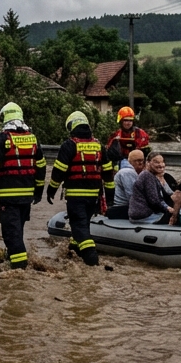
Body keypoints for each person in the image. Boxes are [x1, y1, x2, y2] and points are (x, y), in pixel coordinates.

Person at [0, 102, 46, 270]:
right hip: (27, 196)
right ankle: (11, 258)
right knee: (17, 231)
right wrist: (39, 191)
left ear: (4, 117)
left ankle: (19, 271)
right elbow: (41, 166)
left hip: (8, 196)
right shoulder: (33, 139)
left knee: (11, 234)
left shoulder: (2, 139)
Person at [46, 111, 115, 266]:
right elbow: (108, 172)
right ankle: (73, 251)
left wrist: (51, 190)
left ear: (71, 127)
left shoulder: (69, 145)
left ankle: (92, 260)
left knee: (79, 226)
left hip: (76, 196)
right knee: (84, 225)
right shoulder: (99, 145)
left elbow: (59, 171)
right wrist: (110, 195)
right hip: (94, 196)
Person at [128, 154, 176, 224]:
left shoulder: (153, 176)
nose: (161, 165)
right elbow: (154, 201)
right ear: (148, 163)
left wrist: (168, 207)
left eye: (162, 162)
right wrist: (167, 209)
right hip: (144, 216)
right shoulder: (147, 176)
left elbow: (161, 197)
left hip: (146, 214)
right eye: (156, 162)